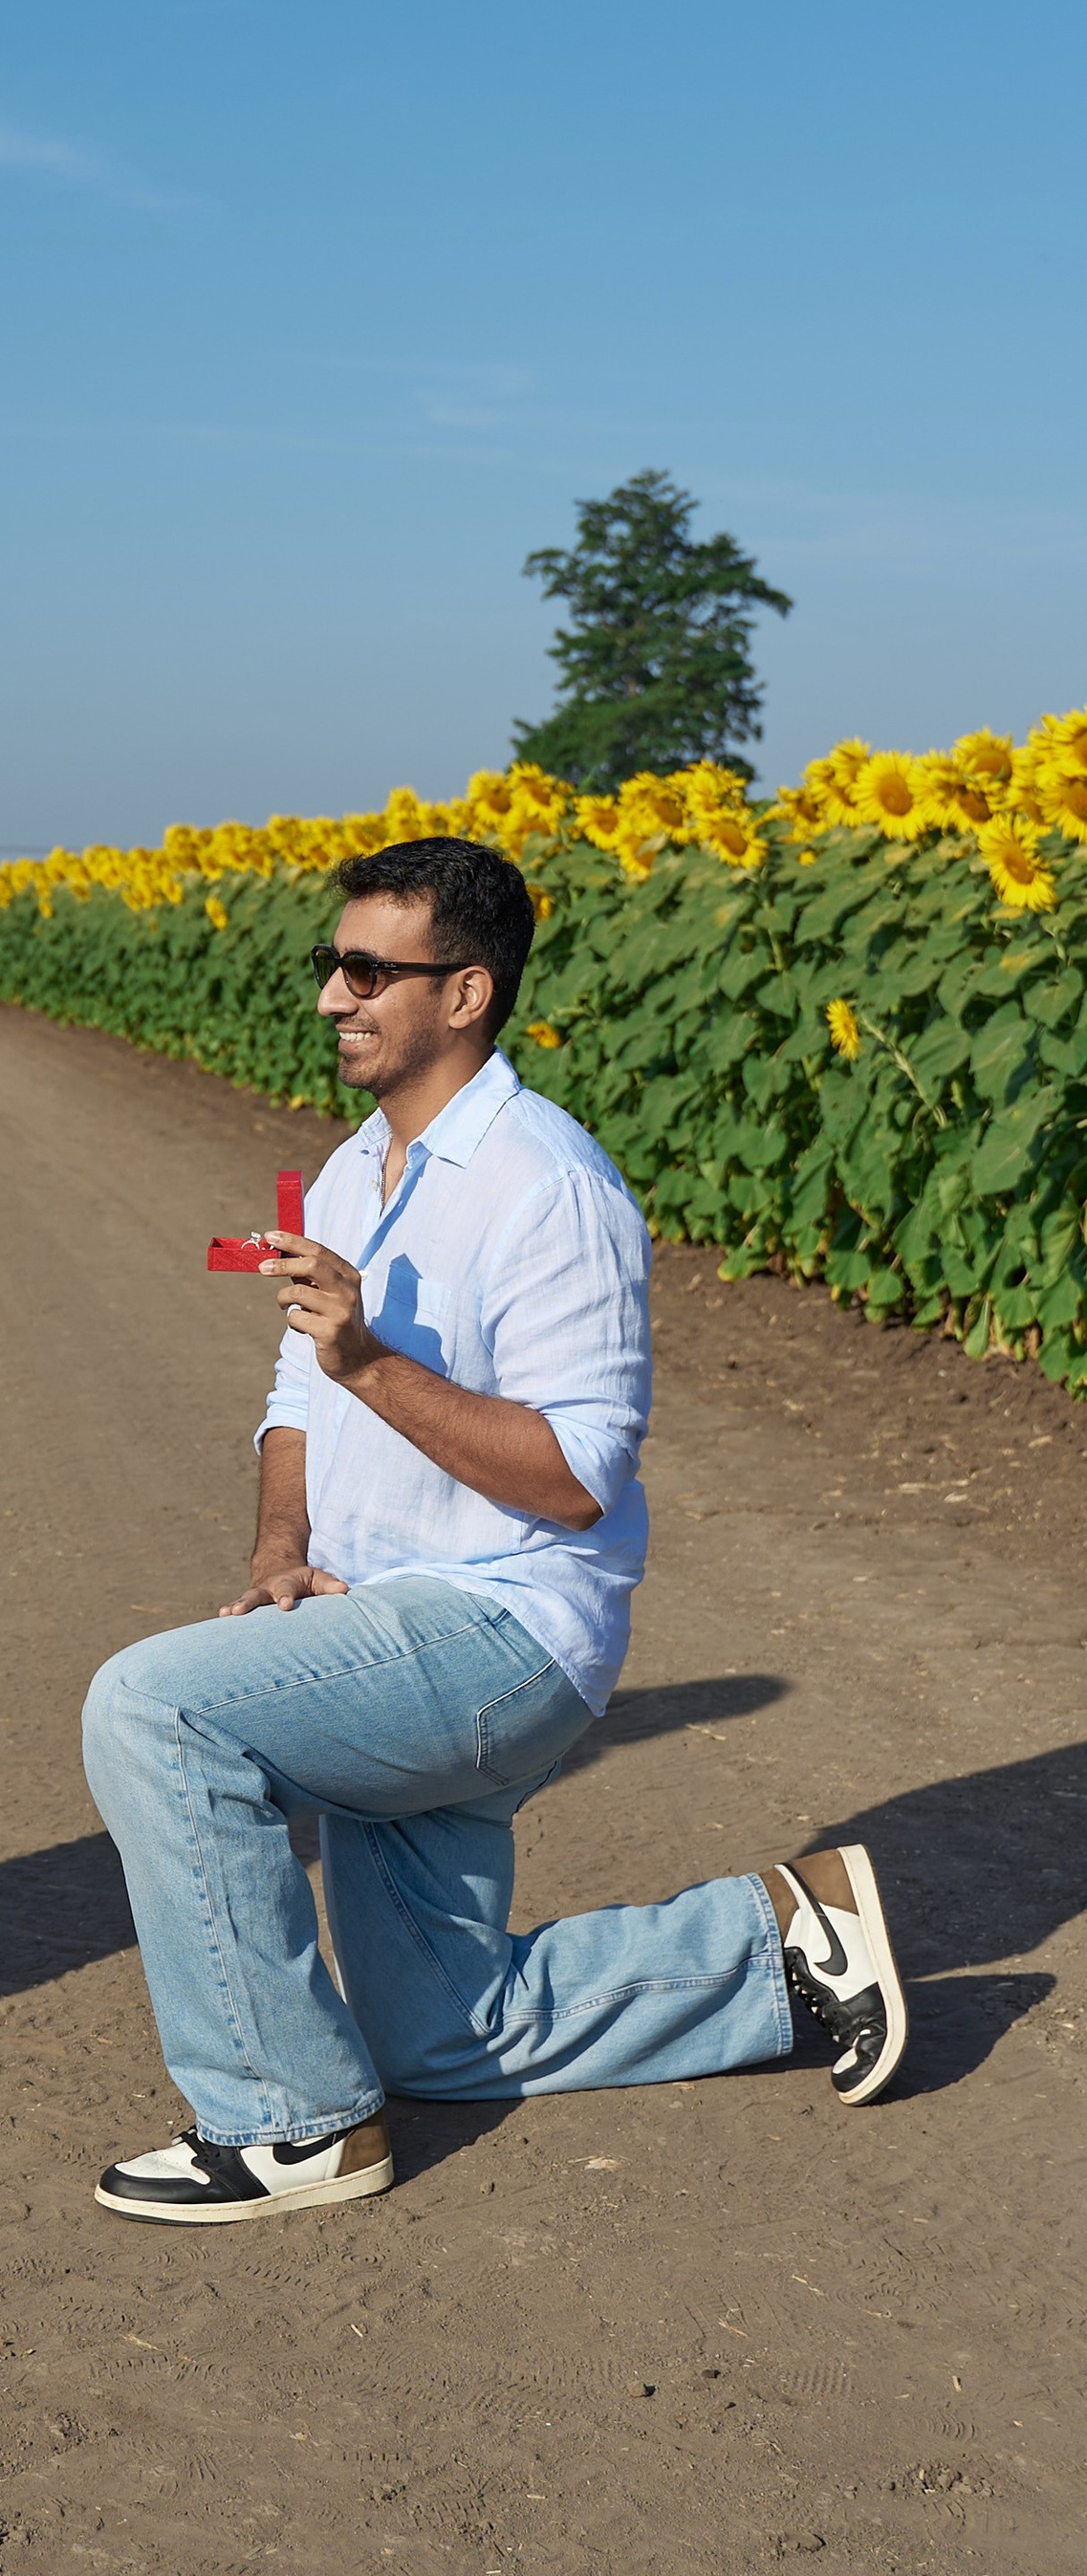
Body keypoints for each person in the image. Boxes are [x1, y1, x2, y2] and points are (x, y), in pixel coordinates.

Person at [81, 833, 907, 2228]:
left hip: (502, 1631)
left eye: (367, 970)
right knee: (449, 2039)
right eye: (330, 965)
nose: (334, 995)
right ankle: (779, 1942)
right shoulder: (353, 1172)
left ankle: (289, 2126)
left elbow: (578, 1478)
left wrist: (368, 1366)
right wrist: (279, 1553)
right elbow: (294, 1388)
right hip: (384, 1621)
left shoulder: (547, 1189)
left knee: (151, 1710)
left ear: (463, 994)